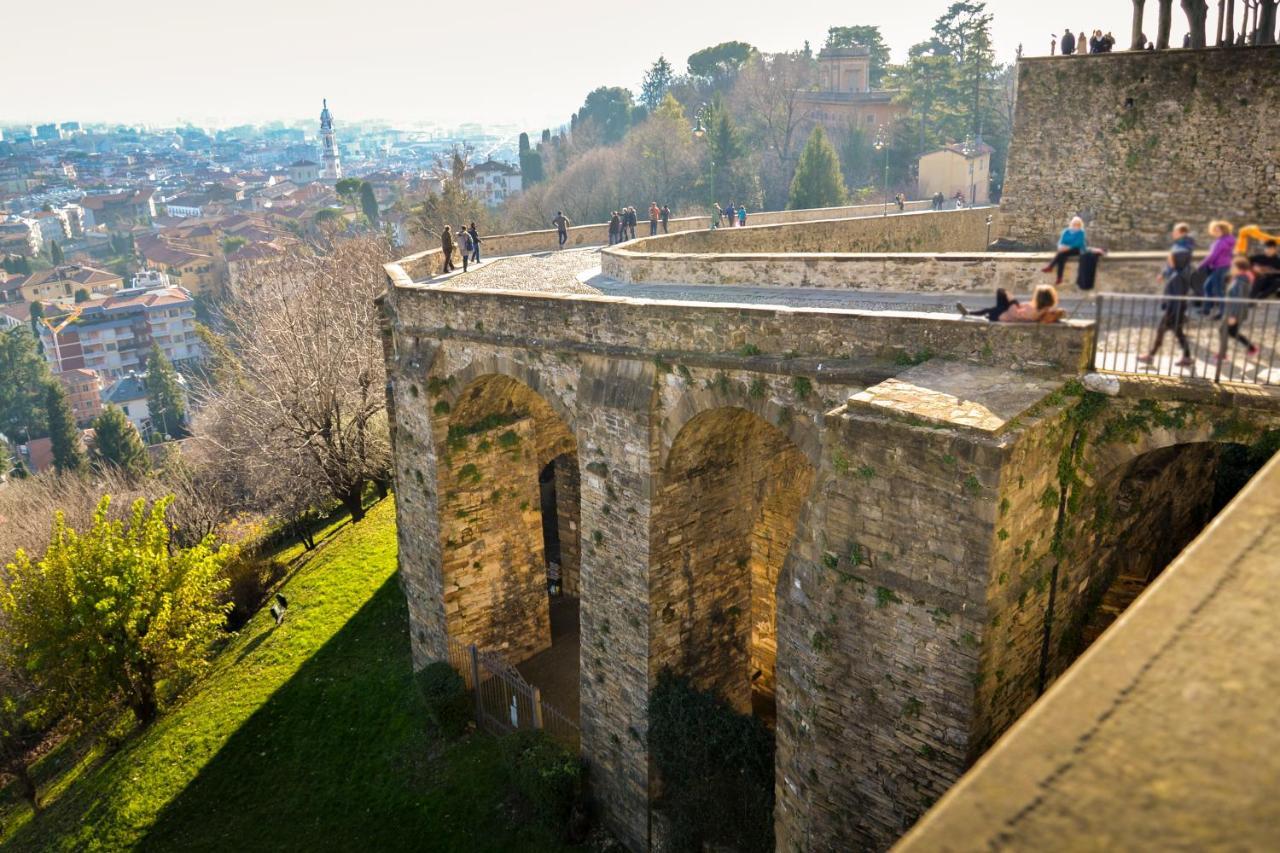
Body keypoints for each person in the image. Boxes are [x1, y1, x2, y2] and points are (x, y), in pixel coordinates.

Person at [1137, 223, 1197, 368]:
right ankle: (1186, 357)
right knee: (1177, 331)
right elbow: (1172, 264)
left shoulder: (1181, 267)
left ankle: (1151, 355)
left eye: (1175, 231)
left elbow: (1177, 291)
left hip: (1175, 308)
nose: (1173, 233)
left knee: (1164, 329)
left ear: (1182, 232)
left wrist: (1172, 309)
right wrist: (1165, 272)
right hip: (1175, 307)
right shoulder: (1179, 270)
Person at [1214, 256, 1261, 363]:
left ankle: (1223, 355)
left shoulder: (1240, 281)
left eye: (1233, 267)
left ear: (1239, 269)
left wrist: (1233, 316)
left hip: (1235, 313)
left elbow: (1238, 300)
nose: (1231, 269)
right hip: (1237, 312)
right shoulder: (1240, 279)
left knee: (1223, 330)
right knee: (1232, 332)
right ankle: (1252, 348)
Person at [956, 285, 1064, 323]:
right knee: (998, 296)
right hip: (1005, 311)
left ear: (1040, 297)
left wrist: (1012, 301)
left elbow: (1015, 314)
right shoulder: (1042, 309)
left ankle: (968, 313)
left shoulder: (1035, 311)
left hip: (1004, 315)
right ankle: (968, 313)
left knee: (990, 311)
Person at [1198, 220, 1235, 316]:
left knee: (1218, 290)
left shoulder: (1221, 242)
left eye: (1218, 230)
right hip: (1223, 267)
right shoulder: (1227, 240)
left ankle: (1222, 313)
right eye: (1215, 230)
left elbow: (1212, 256)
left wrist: (1201, 265)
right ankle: (1207, 309)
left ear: (1224, 231)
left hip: (1220, 267)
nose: (1216, 232)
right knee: (1208, 287)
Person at [1042, 216, 1087, 285]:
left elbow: (1079, 243)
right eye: (1074, 223)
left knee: (1061, 253)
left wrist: (1068, 247)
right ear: (1071, 224)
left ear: (1080, 224)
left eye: (1078, 224)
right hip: (1065, 250)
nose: (1076, 225)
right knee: (1062, 256)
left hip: (1077, 249)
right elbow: (1061, 241)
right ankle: (1059, 278)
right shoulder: (1066, 231)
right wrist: (1060, 246)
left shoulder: (1081, 232)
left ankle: (1050, 267)